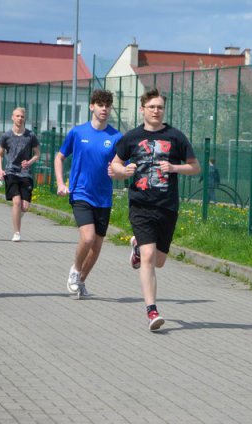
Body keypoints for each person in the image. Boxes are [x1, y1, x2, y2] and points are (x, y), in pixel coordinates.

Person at [111, 88, 201, 331]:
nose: (156, 111)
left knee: (159, 261)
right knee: (150, 258)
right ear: (142, 109)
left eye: (159, 107)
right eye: (151, 106)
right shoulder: (131, 137)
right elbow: (115, 166)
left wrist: (174, 168)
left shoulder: (176, 137)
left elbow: (195, 167)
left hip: (167, 206)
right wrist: (123, 172)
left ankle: (136, 248)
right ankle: (152, 311)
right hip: (140, 205)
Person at [54, 90, 122, 299]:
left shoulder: (116, 137)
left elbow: (120, 168)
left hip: (103, 197)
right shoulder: (78, 133)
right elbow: (59, 157)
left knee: (97, 245)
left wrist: (117, 171)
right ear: (91, 106)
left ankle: (81, 281)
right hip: (80, 193)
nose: (104, 109)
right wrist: (60, 183)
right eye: (100, 104)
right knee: (88, 237)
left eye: (107, 105)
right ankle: (75, 270)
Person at [0, 107, 40, 242]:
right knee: (16, 202)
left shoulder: (30, 135)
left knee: (24, 207)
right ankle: (17, 232)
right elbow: (0, 154)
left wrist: (30, 162)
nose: (20, 118)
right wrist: (0, 170)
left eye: (22, 116)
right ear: (12, 117)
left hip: (25, 174)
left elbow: (37, 154)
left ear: (24, 118)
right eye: (17, 116)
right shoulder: (6, 136)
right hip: (11, 172)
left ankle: (17, 217)